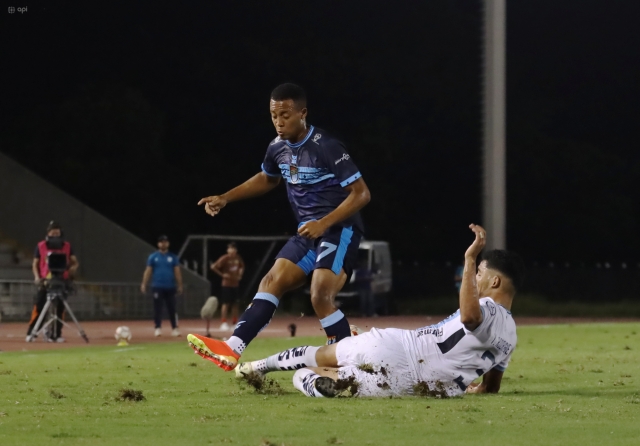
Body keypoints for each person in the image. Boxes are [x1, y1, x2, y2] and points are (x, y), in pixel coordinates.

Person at [188, 83, 371, 371]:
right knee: (271, 282)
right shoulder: (277, 147)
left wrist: (322, 223)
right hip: (306, 232)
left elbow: (362, 194)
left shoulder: (327, 147)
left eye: (285, 115)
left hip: (339, 229)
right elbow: (268, 178)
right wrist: (225, 197)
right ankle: (232, 349)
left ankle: (344, 364)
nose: (279, 121)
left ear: (303, 113)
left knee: (320, 295)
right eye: (274, 115)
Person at [232, 224, 524, 398]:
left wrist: (470, 258)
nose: (474, 277)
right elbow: (490, 388)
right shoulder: (510, 336)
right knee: (340, 374)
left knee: (312, 361)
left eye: (480, 273)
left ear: (495, 281)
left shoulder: (486, 307)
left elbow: (470, 317)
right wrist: (473, 389)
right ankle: (330, 383)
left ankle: (257, 367)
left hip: (399, 348)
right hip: (413, 386)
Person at [27, 221, 79, 342]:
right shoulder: (41, 246)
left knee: (60, 308)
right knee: (39, 306)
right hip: (46, 280)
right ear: (48, 233)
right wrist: (37, 277)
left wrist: (71, 271)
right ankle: (32, 332)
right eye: (53, 232)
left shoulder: (67, 246)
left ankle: (56, 334)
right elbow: (35, 263)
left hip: (61, 279)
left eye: (57, 232)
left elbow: (74, 262)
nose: (55, 235)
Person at [141, 235, 183, 337]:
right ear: (158, 244)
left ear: (168, 243)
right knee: (157, 308)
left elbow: (177, 271)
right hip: (157, 286)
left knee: (172, 308)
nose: (163, 243)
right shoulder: (153, 257)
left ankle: (174, 328)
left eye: (165, 241)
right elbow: (148, 271)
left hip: (170, 287)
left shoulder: (173, 257)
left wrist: (180, 284)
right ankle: (158, 328)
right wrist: (144, 283)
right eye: (161, 242)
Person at [210, 242, 245, 331]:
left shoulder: (238, 258)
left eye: (233, 248)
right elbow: (213, 267)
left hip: (235, 284)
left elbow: (241, 267)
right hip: (226, 284)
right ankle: (224, 322)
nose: (231, 250)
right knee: (225, 303)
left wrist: (240, 274)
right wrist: (223, 275)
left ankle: (234, 322)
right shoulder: (225, 258)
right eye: (230, 248)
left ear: (236, 250)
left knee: (235, 304)